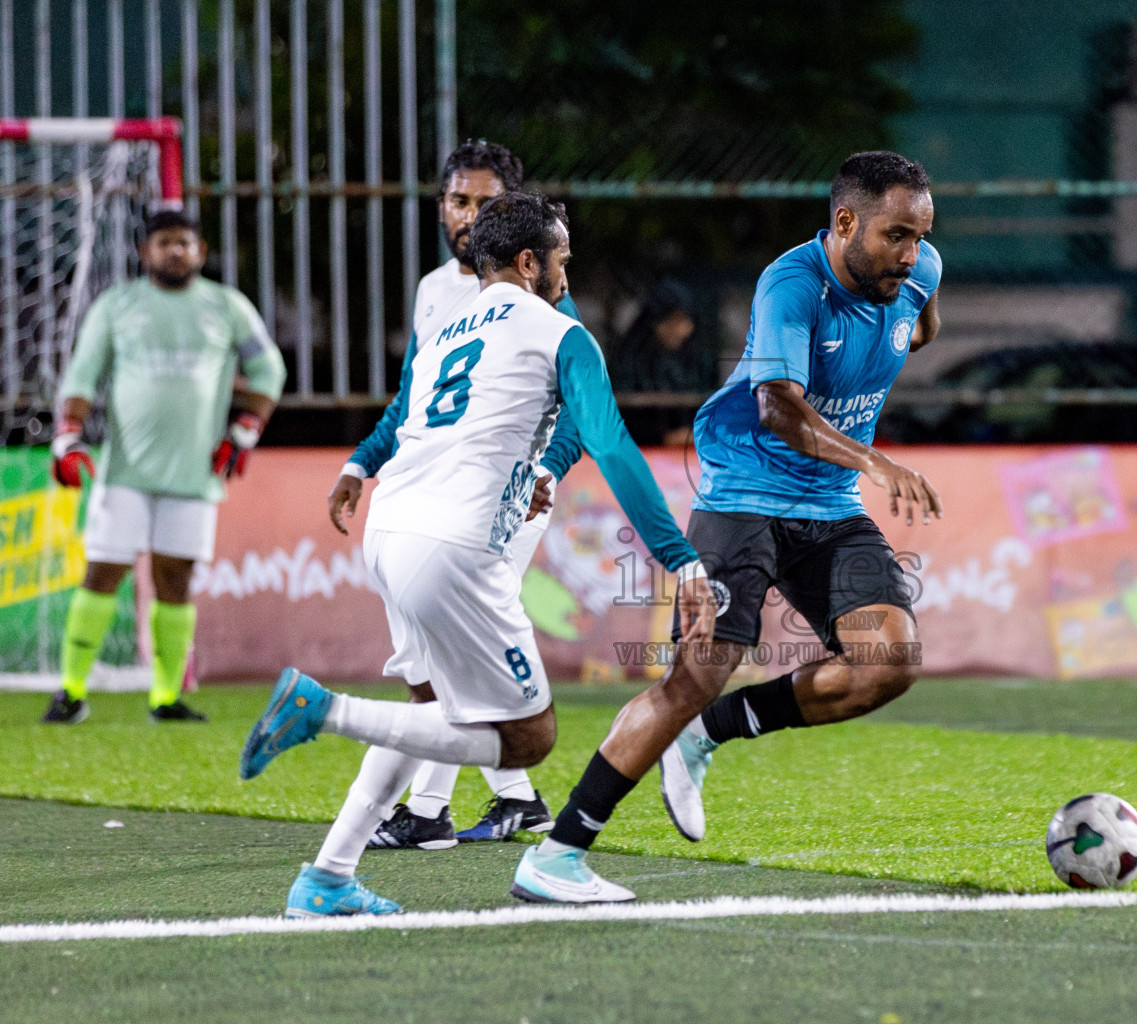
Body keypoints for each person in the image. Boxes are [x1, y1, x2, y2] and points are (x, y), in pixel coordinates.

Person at [239, 190, 716, 916]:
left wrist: (373, 467)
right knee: (528, 737)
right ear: (530, 261)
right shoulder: (559, 331)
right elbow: (613, 442)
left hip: (392, 529)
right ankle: (322, 710)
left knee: (431, 701)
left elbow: (408, 422)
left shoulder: (442, 329)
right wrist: (679, 557)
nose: (566, 269)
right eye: (560, 256)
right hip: (455, 549)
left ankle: (327, 877)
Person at [517, 151, 942, 901]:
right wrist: (876, 463)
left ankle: (710, 732)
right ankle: (556, 855)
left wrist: (911, 307)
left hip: (828, 507)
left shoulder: (919, 272)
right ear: (845, 222)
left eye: (919, 237)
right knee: (696, 672)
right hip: (743, 491)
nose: (909, 254)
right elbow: (778, 409)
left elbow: (921, 322)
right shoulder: (791, 284)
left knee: (889, 661)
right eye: (894, 237)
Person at [326, 140, 586, 851]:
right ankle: (517, 801)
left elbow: (576, 411)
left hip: (502, 498)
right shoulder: (435, 291)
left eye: (484, 202)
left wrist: (548, 471)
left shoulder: (542, 292)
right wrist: (362, 460)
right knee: (430, 657)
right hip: (432, 495)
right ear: (441, 206)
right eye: (458, 200)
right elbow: (414, 401)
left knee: (441, 655)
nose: (469, 214)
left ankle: (428, 811)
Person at [43, 209, 285, 725]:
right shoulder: (118, 305)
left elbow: (270, 368)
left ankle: (165, 696)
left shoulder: (227, 307)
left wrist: (244, 432)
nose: (176, 251)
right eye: (164, 242)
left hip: (194, 475)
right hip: (123, 472)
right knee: (103, 573)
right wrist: (66, 437)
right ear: (144, 252)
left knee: (175, 580)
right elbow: (82, 376)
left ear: (200, 251)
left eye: (185, 242)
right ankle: (71, 690)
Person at [610, 279, 715, 446]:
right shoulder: (630, 360)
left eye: (687, 320)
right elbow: (622, 420)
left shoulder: (693, 360)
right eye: (675, 320)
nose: (685, 329)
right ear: (655, 321)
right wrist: (664, 438)